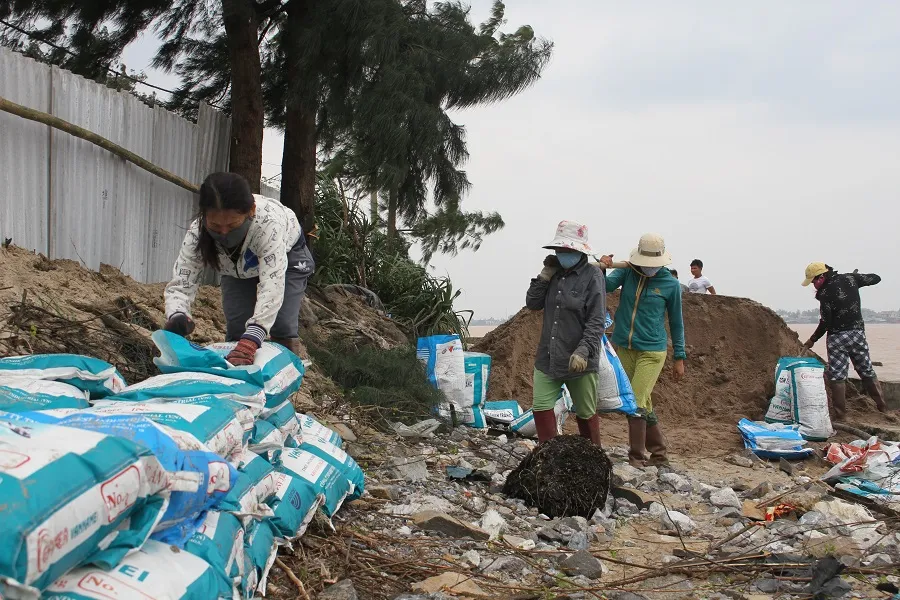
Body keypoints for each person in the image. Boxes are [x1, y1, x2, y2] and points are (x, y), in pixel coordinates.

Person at [164, 172, 315, 365]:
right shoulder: (197, 233)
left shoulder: (269, 225)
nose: (224, 233)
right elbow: (183, 281)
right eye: (216, 227)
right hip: (237, 267)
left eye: (232, 225)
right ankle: (236, 376)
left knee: (281, 323)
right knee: (238, 330)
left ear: (250, 211)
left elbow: (272, 286)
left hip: (287, 256)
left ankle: (285, 375)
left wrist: (253, 339)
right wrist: (177, 315)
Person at [598, 233, 686, 467]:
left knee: (636, 400)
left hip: (652, 351)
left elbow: (677, 322)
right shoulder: (628, 272)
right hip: (625, 348)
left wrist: (680, 357)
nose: (648, 269)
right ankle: (660, 456)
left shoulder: (671, 285)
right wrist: (603, 267)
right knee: (639, 401)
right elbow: (604, 286)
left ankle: (636, 459)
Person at [525, 220, 606, 445]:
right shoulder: (554, 274)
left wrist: (583, 350)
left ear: (579, 251)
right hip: (548, 357)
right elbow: (532, 303)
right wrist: (544, 276)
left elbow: (597, 320)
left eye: (567, 250)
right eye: (559, 249)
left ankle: (593, 457)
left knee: (586, 411)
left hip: (579, 359)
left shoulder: (592, 276)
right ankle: (548, 456)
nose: (563, 253)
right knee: (541, 406)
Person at [800, 262, 885, 418]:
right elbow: (876, 278)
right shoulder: (850, 279)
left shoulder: (825, 294)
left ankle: (840, 415)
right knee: (866, 370)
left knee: (838, 375)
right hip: (857, 334)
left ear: (822, 276)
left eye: (814, 281)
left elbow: (826, 322)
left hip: (837, 338)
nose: (814, 285)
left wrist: (813, 339)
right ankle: (882, 408)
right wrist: (855, 280)